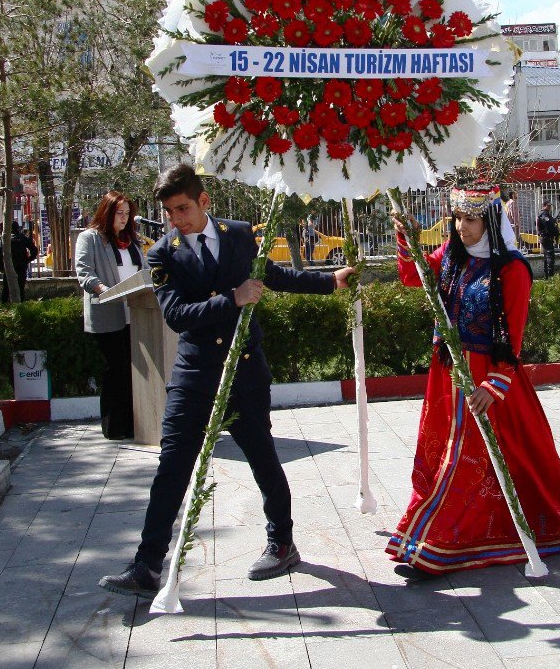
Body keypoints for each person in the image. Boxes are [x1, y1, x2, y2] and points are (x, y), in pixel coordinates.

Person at [99, 164, 355, 598]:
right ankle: (147, 564)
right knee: (172, 466)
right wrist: (230, 299)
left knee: (263, 459)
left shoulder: (238, 233)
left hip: (245, 370)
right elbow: (177, 316)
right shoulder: (162, 254)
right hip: (195, 374)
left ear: (204, 201)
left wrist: (329, 282)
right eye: (168, 212)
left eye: (182, 208)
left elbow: (271, 276)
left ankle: (282, 542)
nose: (176, 219)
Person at [387, 185, 560, 575]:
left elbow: (513, 338)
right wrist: (407, 234)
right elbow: (415, 276)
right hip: (446, 376)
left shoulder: (512, 269)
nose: (462, 227)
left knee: (472, 461)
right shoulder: (451, 257)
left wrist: (492, 386)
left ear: (492, 222)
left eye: (472, 219)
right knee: (445, 456)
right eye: (458, 218)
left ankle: (440, 545)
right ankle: (436, 533)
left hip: (485, 382)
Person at [74, 191, 148, 440]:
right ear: (107, 212)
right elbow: (84, 273)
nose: (124, 218)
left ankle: (135, 423)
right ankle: (115, 426)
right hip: (108, 313)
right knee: (116, 369)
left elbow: (145, 270)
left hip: (136, 313)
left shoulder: (133, 240)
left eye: (128, 214)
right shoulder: (90, 238)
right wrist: (106, 290)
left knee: (134, 370)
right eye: (120, 213)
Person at [0, 220, 38, 302]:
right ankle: (20, 306)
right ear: (18, 228)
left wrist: (1, 268)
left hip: (9, 267)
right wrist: (28, 260)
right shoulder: (23, 237)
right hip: (21, 266)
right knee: (21, 288)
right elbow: (34, 250)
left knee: (6, 289)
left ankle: (4, 307)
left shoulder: (5, 239)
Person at [536, 201, 559, 277]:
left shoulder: (548, 215)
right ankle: (550, 277)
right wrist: (557, 232)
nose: (550, 207)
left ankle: (547, 277)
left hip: (547, 238)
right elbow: (550, 227)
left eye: (550, 206)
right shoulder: (544, 216)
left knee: (547, 258)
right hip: (546, 238)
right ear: (544, 206)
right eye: (548, 206)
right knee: (550, 258)